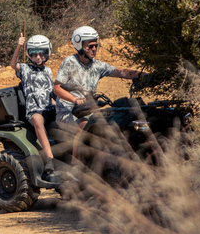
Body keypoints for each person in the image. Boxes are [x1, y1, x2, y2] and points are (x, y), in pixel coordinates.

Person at [53, 26, 146, 162]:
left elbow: (120, 72)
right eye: (90, 46)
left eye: (96, 45)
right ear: (79, 45)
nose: (94, 49)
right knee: (83, 125)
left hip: (88, 110)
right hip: (67, 111)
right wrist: (74, 99)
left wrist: (145, 76)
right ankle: (74, 167)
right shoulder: (69, 63)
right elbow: (56, 88)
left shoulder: (96, 65)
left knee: (111, 124)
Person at [10, 33, 56, 173]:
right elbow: (13, 65)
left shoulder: (48, 70)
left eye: (41, 54)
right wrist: (19, 46)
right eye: (34, 54)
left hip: (49, 108)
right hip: (35, 110)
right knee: (37, 119)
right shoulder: (25, 69)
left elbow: (51, 91)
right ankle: (50, 158)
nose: (38, 57)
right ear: (29, 54)